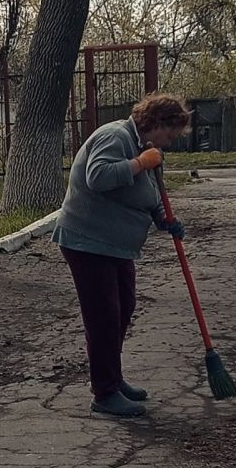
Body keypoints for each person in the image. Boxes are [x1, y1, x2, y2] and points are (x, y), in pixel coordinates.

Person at [53, 93, 191, 418]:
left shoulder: (146, 149)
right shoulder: (115, 136)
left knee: (124, 307)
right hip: (87, 241)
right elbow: (98, 177)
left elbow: (152, 192)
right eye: (169, 135)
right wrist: (140, 163)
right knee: (104, 316)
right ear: (156, 123)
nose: (169, 143)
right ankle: (105, 393)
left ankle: (111, 378)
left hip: (112, 245)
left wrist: (163, 217)